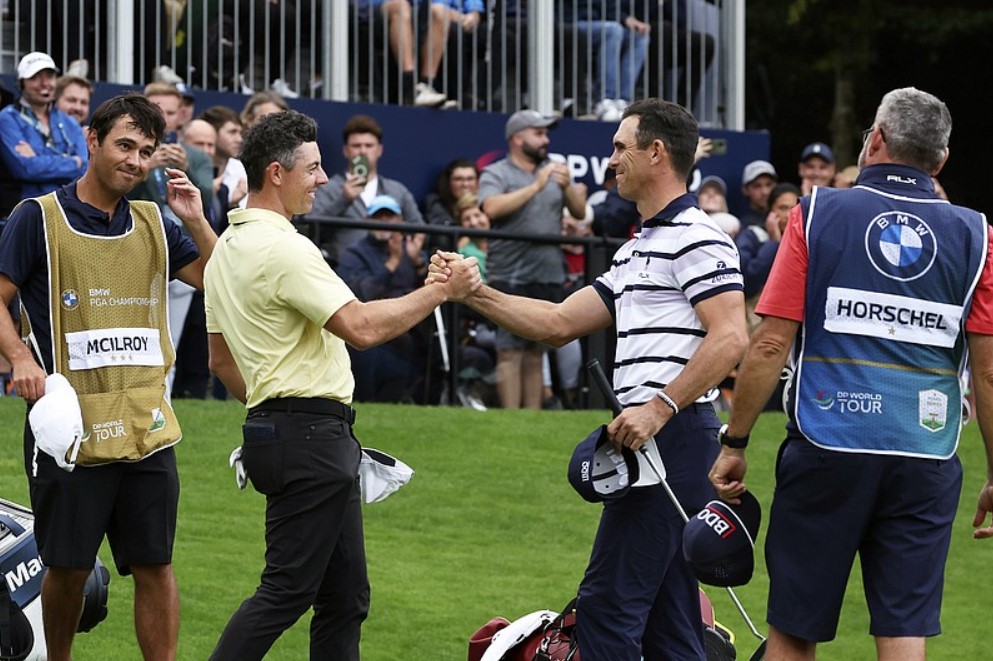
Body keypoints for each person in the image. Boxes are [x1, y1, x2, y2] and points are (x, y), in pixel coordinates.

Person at [433, 98, 748, 659]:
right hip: (658, 439)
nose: (611, 160)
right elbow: (557, 323)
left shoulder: (698, 236)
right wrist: (474, 292)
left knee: (607, 610)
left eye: (620, 147)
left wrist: (659, 408)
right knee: (671, 622)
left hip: (667, 437)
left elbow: (730, 338)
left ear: (656, 152)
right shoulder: (638, 248)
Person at [709, 87, 993, 661]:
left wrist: (735, 441)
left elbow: (768, 344)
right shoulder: (977, 235)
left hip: (826, 443)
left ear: (876, 141)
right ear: (939, 162)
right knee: (903, 631)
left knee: (793, 631)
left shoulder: (816, 212)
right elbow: (988, 374)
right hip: (927, 454)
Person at [203, 109, 480, 660]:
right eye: (314, 168)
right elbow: (361, 326)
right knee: (285, 592)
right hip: (310, 441)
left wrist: (270, 415)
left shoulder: (225, 251)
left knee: (345, 596)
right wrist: (440, 292)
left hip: (292, 436)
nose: (325, 179)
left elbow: (220, 362)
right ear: (276, 174)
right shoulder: (285, 247)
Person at [0, 91, 216, 661]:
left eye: (145, 151)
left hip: (146, 424)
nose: (134, 160)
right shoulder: (37, 217)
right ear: (90, 141)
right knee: (67, 570)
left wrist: (194, 217)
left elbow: (223, 283)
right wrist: (20, 358)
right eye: (124, 145)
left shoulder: (155, 222)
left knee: (156, 565)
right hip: (69, 431)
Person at [477, 109, 586, 409]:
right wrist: (536, 186)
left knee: (537, 351)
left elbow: (578, 212)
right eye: (539, 133)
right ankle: (511, 418)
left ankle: (531, 419)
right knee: (510, 351)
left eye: (546, 134)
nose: (545, 140)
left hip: (548, 273)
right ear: (517, 138)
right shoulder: (497, 172)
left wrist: (567, 188)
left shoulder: (556, 171)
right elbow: (491, 207)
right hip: (510, 273)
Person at [131, 82, 215, 396]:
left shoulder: (196, 155)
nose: (161, 118)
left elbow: (207, 198)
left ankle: (162, 409)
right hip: (136, 254)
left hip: (180, 252)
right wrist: (146, 165)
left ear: (180, 116)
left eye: (168, 112)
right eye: (155, 109)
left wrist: (186, 168)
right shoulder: (131, 152)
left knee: (171, 343)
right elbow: (122, 195)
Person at [336, 194, 431, 402]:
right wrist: (393, 262)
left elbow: (429, 290)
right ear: (368, 220)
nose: (384, 223)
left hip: (413, 329)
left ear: (400, 221)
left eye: (390, 217)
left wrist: (417, 264)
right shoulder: (353, 253)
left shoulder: (412, 253)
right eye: (378, 217)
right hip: (373, 331)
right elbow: (363, 294)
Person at [311, 113, 424, 263]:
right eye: (356, 146)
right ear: (346, 151)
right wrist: (343, 200)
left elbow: (420, 230)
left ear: (379, 150)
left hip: (391, 272)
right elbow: (311, 230)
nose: (363, 151)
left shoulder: (397, 190)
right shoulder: (328, 187)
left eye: (369, 146)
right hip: (344, 271)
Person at [0, 52, 88, 202]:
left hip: (69, 207)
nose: (44, 83)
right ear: (22, 83)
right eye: (35, 77)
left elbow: (85, 168)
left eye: (50, 76)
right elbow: (26, 169)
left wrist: (38, 159)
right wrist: (73, 161)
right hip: (28, 208)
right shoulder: (7, 118)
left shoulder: (69, 122)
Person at [561, 1, 651, 121]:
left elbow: (610, 8)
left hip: (603, 22)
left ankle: (622, 101)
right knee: (613, 30)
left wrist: (627, 19)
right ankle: (605, 100)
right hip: (570, 21)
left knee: (640, 35)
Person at [199, 105, 249, 218]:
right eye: (232, 132)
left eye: (240, 133)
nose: (239, 139)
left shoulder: (243, 170)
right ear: (211, 133)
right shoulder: (189, 168)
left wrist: (232, 204)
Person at [738, 159, 777, 228]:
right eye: (757, 186)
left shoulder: (786, 219)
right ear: (745, 190)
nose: (765, 192)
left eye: (769, 184)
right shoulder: (743, 226)